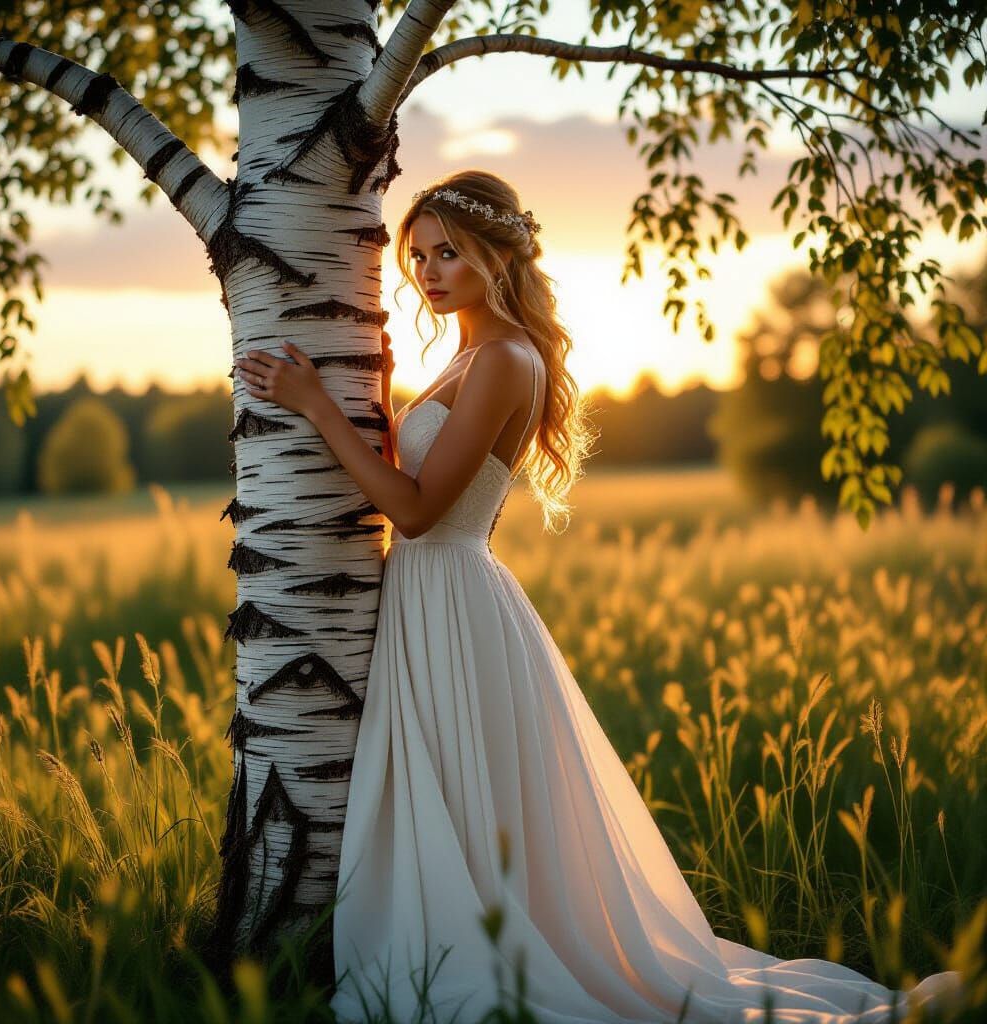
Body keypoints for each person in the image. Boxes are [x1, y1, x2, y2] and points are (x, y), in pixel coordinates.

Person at [234, 171, 960, 1023]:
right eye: (420, 255)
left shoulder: (505, 359)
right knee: (452, 800)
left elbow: (421, 512)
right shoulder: (467, 356)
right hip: (428, 601)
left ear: (497, 257)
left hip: (451, 594)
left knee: (468, 799)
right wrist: (382, 384)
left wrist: (320, 406)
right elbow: (418, 475)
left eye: (450, 254)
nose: (430, 272)